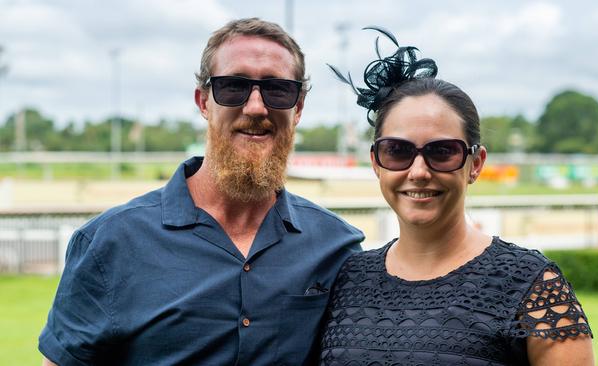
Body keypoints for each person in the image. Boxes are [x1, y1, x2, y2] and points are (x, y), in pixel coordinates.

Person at [39, 18, 363, 366]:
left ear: (297, 108)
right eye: (233, 86)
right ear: (204, 101)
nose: (255, 107)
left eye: (278, 89)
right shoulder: (110, 242)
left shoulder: (337, 248)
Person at [320, 27, 594, 365]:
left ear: (475, 164)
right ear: (377, 162)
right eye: (397, 151)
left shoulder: (532, 286)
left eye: (442, 151)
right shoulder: (347, 280)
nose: (418, 171)